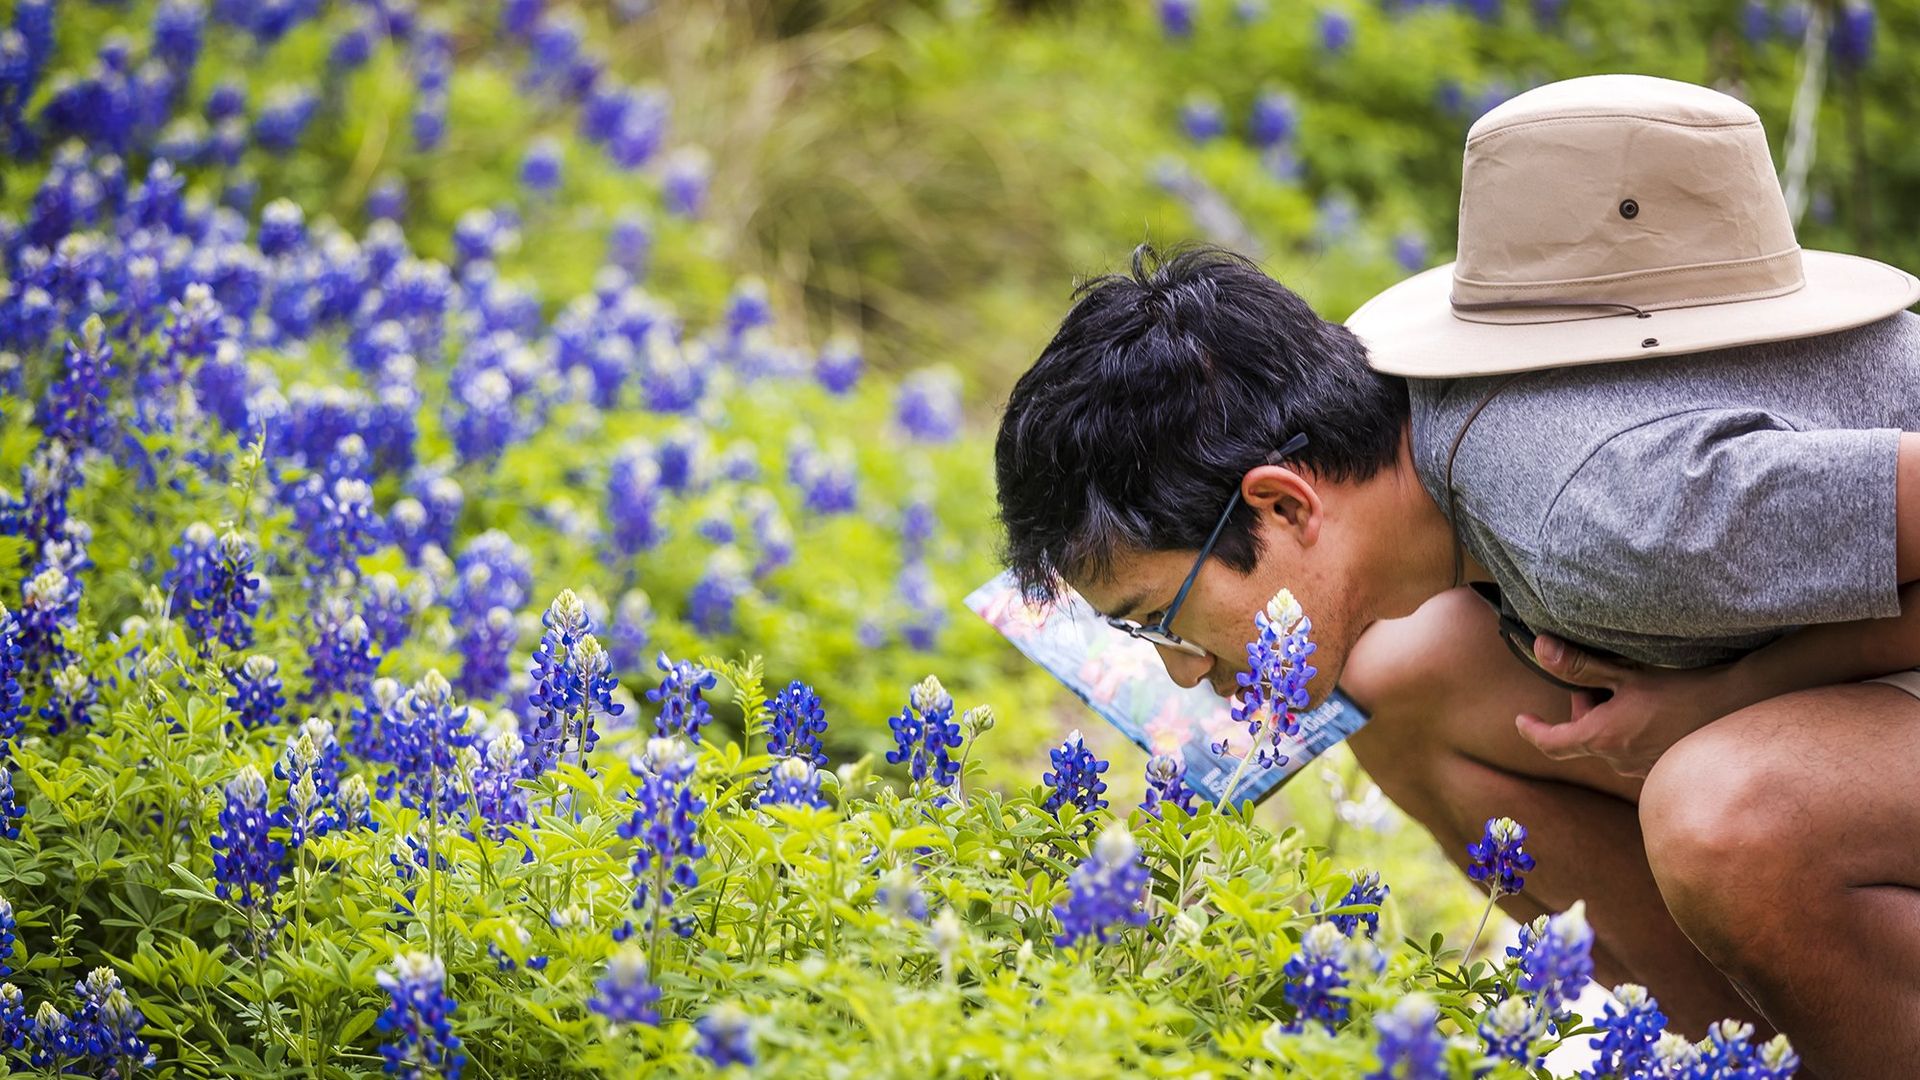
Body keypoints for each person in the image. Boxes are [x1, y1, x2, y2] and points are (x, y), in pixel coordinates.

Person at [992, 74, 1920, 1078]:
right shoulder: (1420, 430)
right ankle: (1732, 1053)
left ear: (1282, 504)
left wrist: (1728, 694)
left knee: (1724, 811)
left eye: (1161, 620)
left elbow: (1642, 533)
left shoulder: (1607, 523)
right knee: (1407, 673)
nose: (1179, 671)